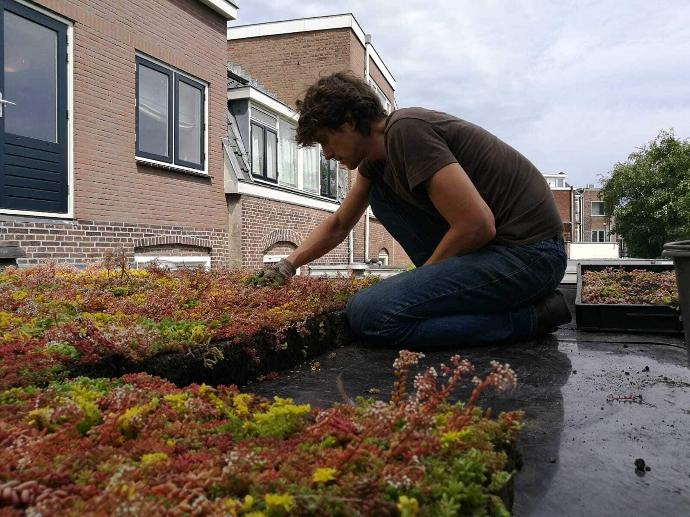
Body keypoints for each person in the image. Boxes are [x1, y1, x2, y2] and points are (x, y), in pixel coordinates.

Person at [263, 71, 571, 347]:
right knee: (381, 197)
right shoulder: (376, 163)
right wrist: (287, 265)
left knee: (369, 314)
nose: (327, 154)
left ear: (349, 123)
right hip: (497, 252)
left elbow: (477, 225)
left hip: (532, 254)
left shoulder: (407, 132)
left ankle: (532, 318)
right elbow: (340, 223)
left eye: (326, 141)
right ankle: (481, 301)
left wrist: (422, 283)